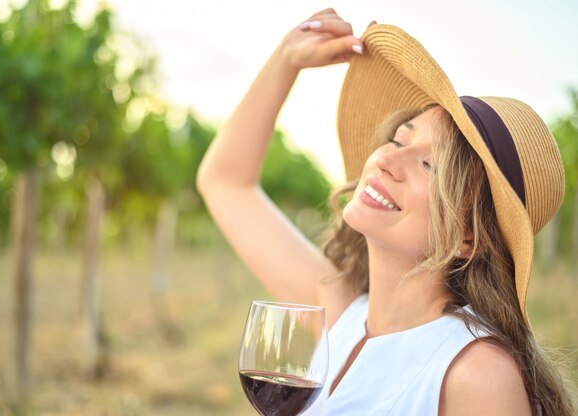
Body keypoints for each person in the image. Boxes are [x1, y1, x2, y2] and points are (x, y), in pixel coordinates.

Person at [196, 8, 576, 415]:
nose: (385, 161)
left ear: (468, 238)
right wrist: (285, 61)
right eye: (399, 140)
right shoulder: (344, 312)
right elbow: (224, 182)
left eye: (430, 165)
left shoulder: (476, 375)